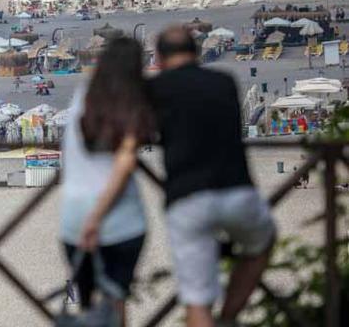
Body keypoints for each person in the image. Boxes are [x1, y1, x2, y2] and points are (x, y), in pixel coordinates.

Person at [149, 26, 276, 327]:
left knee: (197, 298)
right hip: (237, 190)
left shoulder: (155, 90)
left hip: (188, 197)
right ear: (196, 52)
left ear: (158, 58)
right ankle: (229, 317)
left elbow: (143, 131)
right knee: (263, 241)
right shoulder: (224, 82)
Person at [60, 37, 152, 324]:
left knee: (89, 307)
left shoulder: (82, 96)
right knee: (115, 301)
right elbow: (125, 163)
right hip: (118, 221)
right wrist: (96, 217)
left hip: (73, 217)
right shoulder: (130, 101)